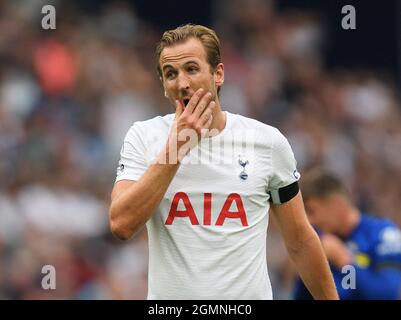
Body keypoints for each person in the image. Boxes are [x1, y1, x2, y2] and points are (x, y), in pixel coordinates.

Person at [109, 24, 338, 300]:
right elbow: (121, 224)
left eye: (192, 69)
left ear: (218, 74)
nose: (182, 83)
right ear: (164, 86)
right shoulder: (144, 137)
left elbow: (301, 240)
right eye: (171, 74)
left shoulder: (266, 142)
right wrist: (177, 147)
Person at [293, 169, 401, 300]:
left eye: (312, 211)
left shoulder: (382, 235)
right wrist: (311, 266)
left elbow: (387, 294)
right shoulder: (320, 240)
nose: (310, 221)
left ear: (336, 204)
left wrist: (343, 260)